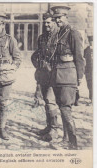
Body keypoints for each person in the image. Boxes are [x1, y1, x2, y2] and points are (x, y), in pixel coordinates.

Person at [49, 6, 85, 150]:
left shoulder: (73, 33)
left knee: (65, 109)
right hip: (57, 76)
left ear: (66, 17)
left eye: (60, 17)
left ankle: (73, 143)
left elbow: (79, 57)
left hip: (68, 76)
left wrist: (79, 78)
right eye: (56, 18)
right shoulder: (59, 34)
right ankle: (65, 139)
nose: (57, 20)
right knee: (62, 107)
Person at [31, 13, 59, 142]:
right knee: (46, 102)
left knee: (50, 100)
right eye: (45, 22)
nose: (46, 25)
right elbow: (37, 54)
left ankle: (54, 130)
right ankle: (49, 126)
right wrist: (37, 65)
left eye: (49, 22)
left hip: (54, 75)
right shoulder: (42, 38)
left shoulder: (59, 37)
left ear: (54, 22)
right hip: (43, 75)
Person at [84, 35, 93, 104]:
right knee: (89, 84)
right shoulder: (86, 50)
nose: (92, 43)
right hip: (88, 70)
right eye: (91, 41)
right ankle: (91, 98)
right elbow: (83, 59)